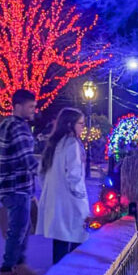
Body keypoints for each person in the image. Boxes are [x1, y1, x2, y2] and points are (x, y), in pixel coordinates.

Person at [0, 88, 41, 275]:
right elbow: (27, 159)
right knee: (18, 229)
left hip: (10, 186)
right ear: (18, 106)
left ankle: (20, 264)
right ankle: (7, 272)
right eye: (30, 107)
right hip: (16, 186)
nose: (34, 110)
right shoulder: (19, 128)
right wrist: (46, 173)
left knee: (21, 227)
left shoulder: (7, 124)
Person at [36, 108, 90, 264]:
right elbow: (74, 175)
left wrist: (50, 189)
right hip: (71, 203)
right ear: (69, 124)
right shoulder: (72, 143)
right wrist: (80, 197)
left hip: (55, 201)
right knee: (77, 241)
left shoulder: (54, 143)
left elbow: (41, 172)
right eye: (80, 124)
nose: (82, 127)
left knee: (59, 243)